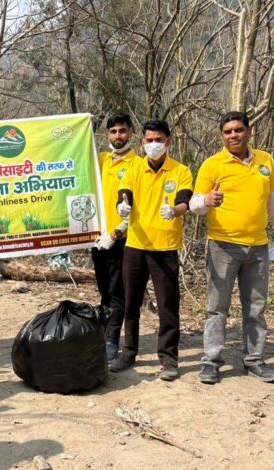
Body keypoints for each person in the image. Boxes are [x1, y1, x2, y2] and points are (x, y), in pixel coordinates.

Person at [190, 111, 274, 385]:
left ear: (249, 131)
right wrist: (207, 200)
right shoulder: (212, 165)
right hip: (222, 246)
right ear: (221, 136)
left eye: (238, 130)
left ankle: (255, 360)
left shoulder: (265, 161)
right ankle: (211, 362)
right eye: (227, 132)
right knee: (217, 308)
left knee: (255, 308)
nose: (233, 135)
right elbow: (194, 205)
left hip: (258, 247)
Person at [111, 120, 193, 381]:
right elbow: (124, 195)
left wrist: (176, 210)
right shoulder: (134, 168)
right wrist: (121, 207)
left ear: (169, 141)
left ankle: (169, 359)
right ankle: (128, 351)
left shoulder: (181, 171)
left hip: (165, 247)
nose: (153, 144)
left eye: (159, 139)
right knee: (130, 302)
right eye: (149, 140)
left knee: (168, 305)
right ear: (142, 142)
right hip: (135, 245)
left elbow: (184, 200)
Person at [92, 112, 138, 361]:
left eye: (122, 131)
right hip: (98, 239)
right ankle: (102, 335)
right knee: (103, 291)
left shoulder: (137, 164)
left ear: (130, 132)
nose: (118, 136)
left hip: (122, 239)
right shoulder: (100, 160)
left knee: (117, 291)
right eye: (113, 132)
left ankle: (111, 340)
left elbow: (138, 208)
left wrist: (117, 231)